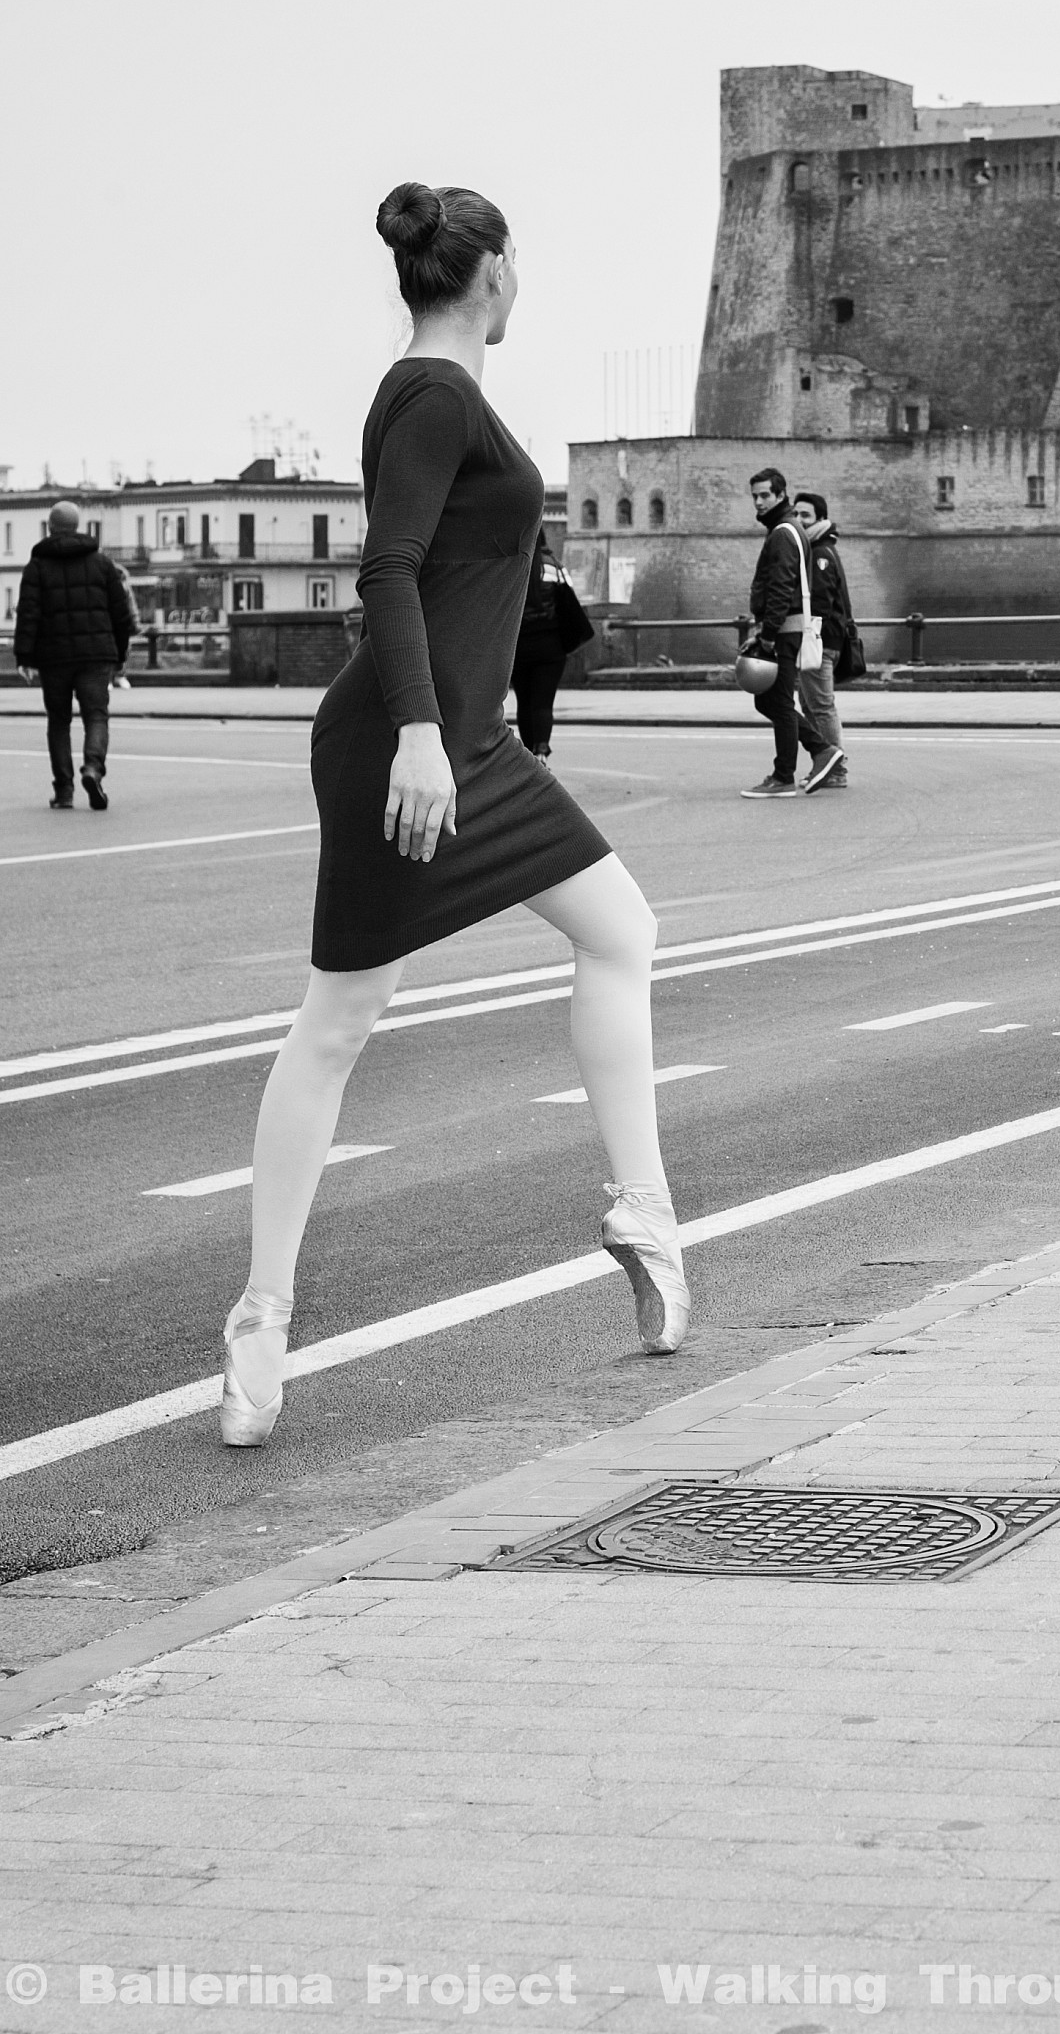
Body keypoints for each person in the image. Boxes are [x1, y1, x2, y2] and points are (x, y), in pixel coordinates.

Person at [218, 182, 687, 1450]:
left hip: (474, 741)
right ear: (489, 274)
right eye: (520, 265)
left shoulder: (447, 392)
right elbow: (389, 567)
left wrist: (460, 733)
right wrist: (420, 739)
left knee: (620, 929)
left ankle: (643, 1208)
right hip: (408, 743)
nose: (523, 284)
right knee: (340, 1020)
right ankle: (261, 1316)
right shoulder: (432, 396)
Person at [13, 499, 139, 811]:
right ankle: (93, 768)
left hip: (53, 658)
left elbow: (27, 614)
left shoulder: (37, 566)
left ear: (50, 526)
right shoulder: (102, 564)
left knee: (58, 721)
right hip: (96, 656)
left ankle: (64, 790)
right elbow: (120, 613)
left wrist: (24, 657)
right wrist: (120, 652)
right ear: (77, 526)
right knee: (96, 715)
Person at [740, 467, 838, 798]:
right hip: (787, 627)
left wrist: (767, 633)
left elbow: (781, 587)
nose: (759, 501)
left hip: (783, 630)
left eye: (765, 495)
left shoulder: (783, 533)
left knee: (777, 701)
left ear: (781, 495)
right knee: (769, 700)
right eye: (754, 496)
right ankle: (818, 750)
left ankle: (786, 774)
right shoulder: (790, 530)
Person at [510, 528, 595, 758]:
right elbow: (570, 608)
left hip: (518, 649)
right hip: (550, 649)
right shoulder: (554, 567)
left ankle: (529, 757)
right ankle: (542, 750)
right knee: (543, 702)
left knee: (524, 703)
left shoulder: (512, 566)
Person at [789, 492, 850, 792]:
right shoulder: (815, 549)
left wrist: (804, 632)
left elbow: (821, 604)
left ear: (820, 519)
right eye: (796, 514)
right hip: (820, 640)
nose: (799, 520)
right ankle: (826, 766)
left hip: (818, 641)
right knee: (811, 705)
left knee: (821, 706)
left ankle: (836, 768)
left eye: (806, 516)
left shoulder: (820, 554)